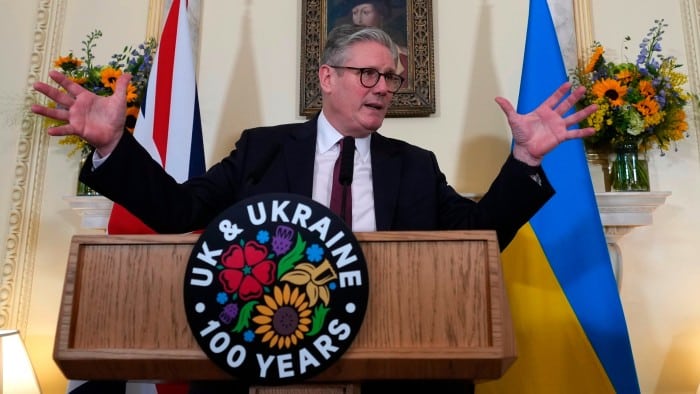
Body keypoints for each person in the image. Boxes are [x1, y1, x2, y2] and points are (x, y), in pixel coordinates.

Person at [32, 24, 596, 393]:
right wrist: (112, 145)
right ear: (327, 77)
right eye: (367, 74)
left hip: (396, 365)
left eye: (391, 78)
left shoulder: (414, 165)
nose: (382, 87)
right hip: (268, 364)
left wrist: (523, 160)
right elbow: (180, 213)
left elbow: (480, 239)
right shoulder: (262, 149)